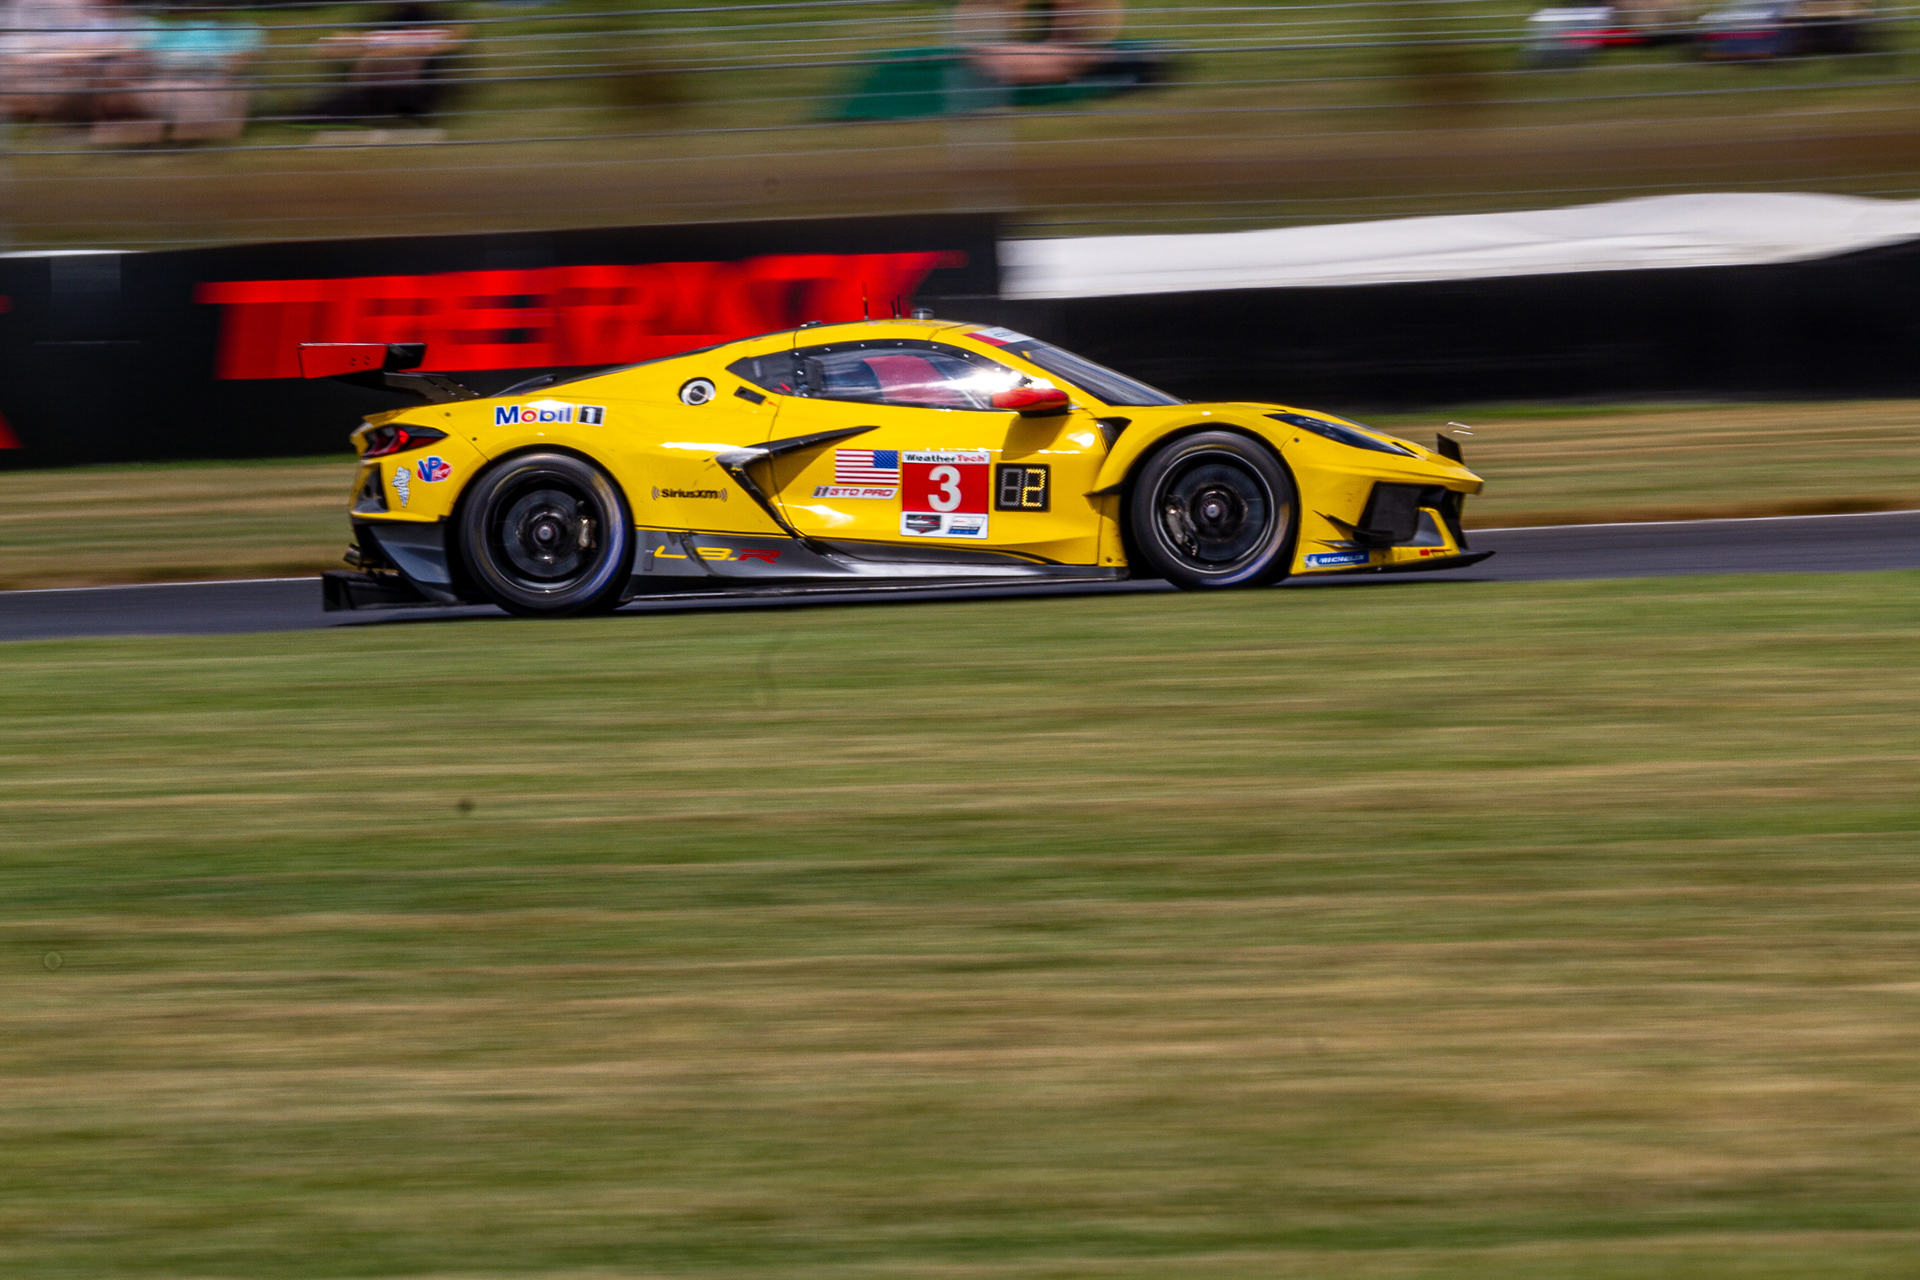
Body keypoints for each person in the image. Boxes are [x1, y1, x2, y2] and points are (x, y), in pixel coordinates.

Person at [302, 3, 465, 122]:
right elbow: (370, 42)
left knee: (345, 103)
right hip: (394, 90)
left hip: (405, 94)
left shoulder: (416, 26)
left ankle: (309, 116)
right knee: (345, 101)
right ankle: (309, 115)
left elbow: (453, 36)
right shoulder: (403, 26)